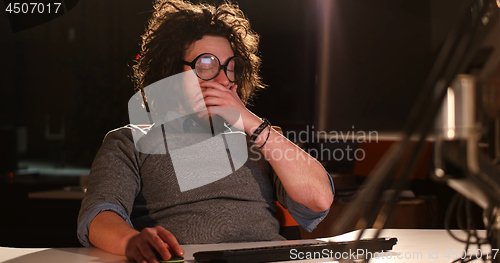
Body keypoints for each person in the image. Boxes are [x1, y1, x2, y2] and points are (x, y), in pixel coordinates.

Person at [77, 1, 334, 263]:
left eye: (230, 66)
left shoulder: (259, 138)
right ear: (171, 74)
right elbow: (98, 215)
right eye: (207, 65)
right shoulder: (129, 142)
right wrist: (131, 241)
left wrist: (253, 124)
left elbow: (319, 200)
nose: (224, 80)